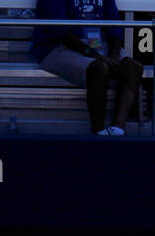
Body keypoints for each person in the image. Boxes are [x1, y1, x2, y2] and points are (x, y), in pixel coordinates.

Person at [31, 0, 143, 135]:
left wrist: (113, 56)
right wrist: (96, 56)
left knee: (133, 68)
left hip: (97, 42)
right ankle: (98, 132)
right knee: (99, 69)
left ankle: (117, 130)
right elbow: (61, 32)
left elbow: (114, 26)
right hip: (59, 47)